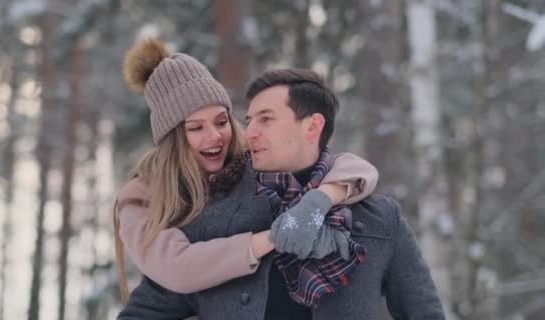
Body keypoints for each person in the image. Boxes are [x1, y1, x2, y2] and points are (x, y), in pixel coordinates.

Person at [117, 40, 439, 320]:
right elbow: (169, 278)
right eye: (249, 120)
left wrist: (320, 200)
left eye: (266, 119)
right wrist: (274, 237)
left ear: (312, 127)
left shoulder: (380, 220)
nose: (248, 132)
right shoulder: (208, 223)